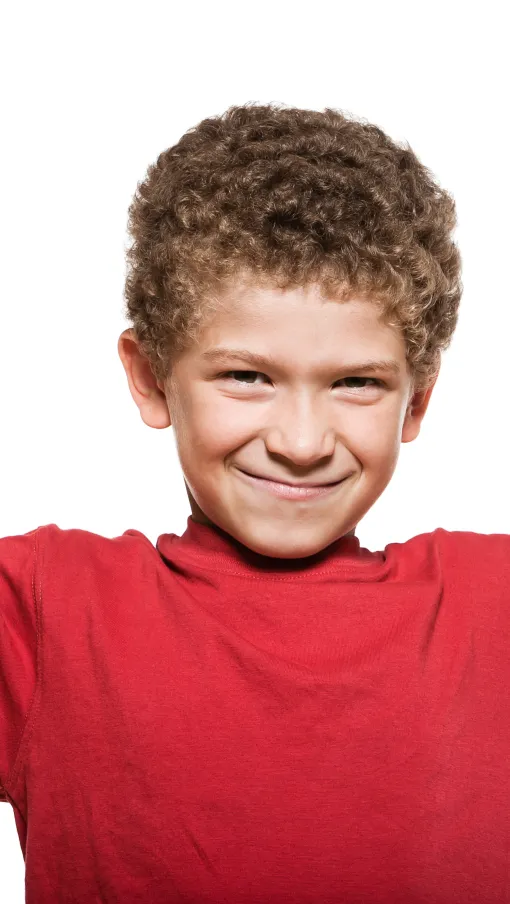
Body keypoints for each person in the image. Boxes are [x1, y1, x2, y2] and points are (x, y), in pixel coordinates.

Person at [1, 102, 509, 904]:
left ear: (416, 404)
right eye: (247, 376)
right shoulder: (43, 609)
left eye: (357, 384)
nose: (302, 441)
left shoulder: (491, 606)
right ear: (150, 375)